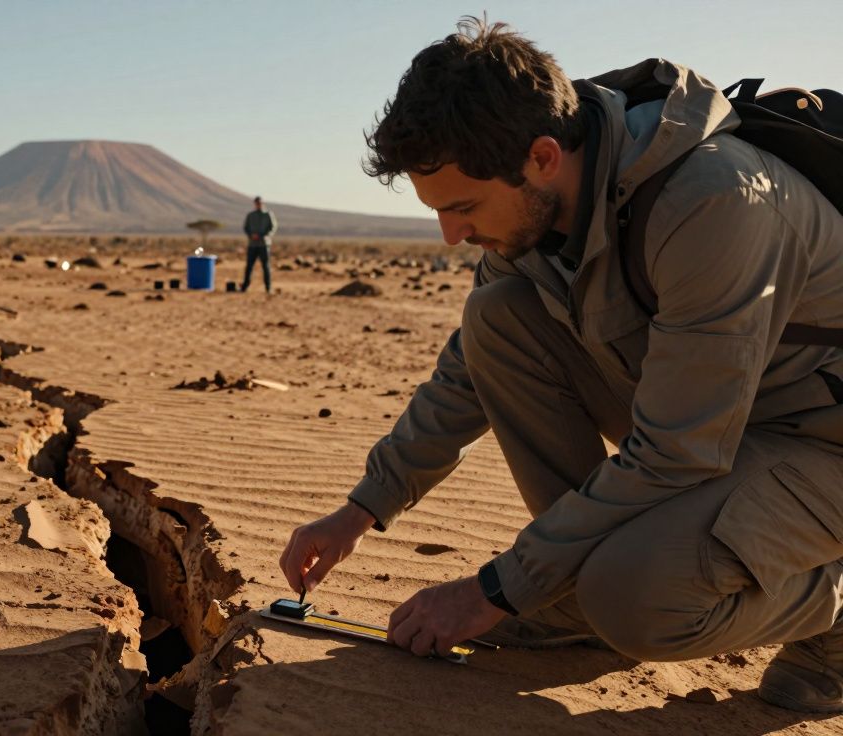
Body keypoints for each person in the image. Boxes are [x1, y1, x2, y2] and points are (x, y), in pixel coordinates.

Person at [279, 17, 843, 713]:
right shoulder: (534, 210)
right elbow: (466, 373)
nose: (452, 236)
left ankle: (834, 612)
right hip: (715, 423)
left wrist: (500, 588)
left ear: (542, 156)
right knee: (495, 319)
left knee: (635, 600)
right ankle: (572, 599)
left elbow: (675, 450)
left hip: (816, 442)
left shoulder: (713, 201)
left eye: (461, 208)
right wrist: (361, 509)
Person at [241, 196, 276, 293]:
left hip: (264, 244)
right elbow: (246, 227)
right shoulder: (251, 215)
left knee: (266, 266)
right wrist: (251, 236)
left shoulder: (268, 214)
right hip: (252, 244)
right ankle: (245, 286)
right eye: (257, 203)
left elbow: (273, 228)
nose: (258, 205)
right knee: (249, 266)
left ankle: (268, 287)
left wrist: (263, 236)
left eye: (260, 203)